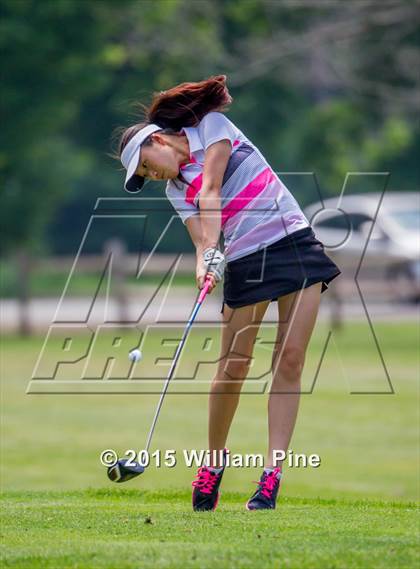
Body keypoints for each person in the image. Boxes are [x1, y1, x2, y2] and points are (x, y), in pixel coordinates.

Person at [116, 75, 341, 511]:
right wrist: (206, 263)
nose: (152, 174)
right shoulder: (174, 189)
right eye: (143, 175)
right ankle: (214, 463)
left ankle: (272, 475)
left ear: (158, 140)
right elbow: (202, 238)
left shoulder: (212, 126)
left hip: (292, 240)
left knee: (290, 358)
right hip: (245, 259)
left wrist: (215, 245)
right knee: (233, 367)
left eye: (146, 164)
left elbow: (213, 191)